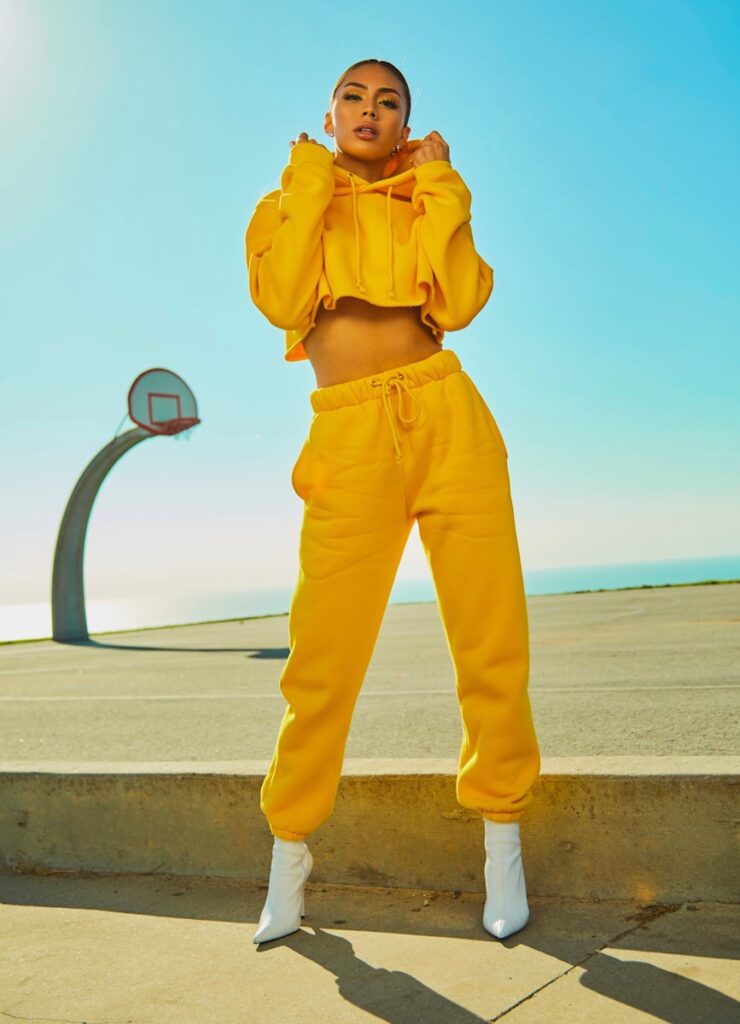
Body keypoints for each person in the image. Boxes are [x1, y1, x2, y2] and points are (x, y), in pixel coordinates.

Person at [244, 58, 541, 944]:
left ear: (408, 121)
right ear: (328, 113)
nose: (370, 110)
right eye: (354, 98)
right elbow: (281, 298)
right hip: (348, 438)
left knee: (493, 641)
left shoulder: (426, 196)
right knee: (322, 662)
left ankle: (502, 838)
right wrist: (308, 180)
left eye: (390, 101)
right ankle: (289, 857)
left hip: (448, 414)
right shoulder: (284, 203)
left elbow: (462, 297)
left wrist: (443, 184)